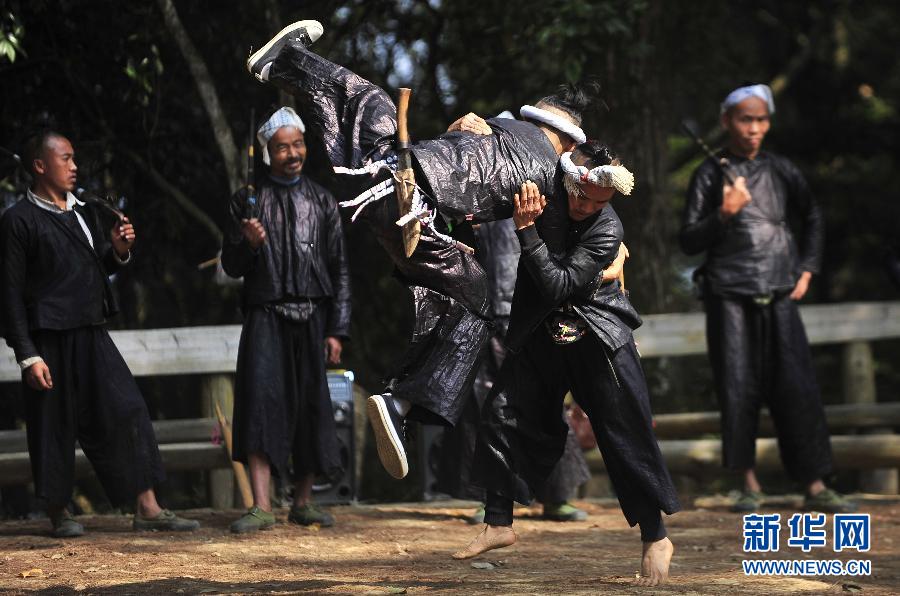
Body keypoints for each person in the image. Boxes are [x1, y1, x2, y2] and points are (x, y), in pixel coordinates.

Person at [245, 20, 594, 480]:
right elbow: (581, 197)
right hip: (410, 201)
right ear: (568, 143)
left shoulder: (503, 130)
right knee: (474, 301)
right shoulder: (544, 164)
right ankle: (402, 402)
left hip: (395, 195)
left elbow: (471, 135)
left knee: (369, 102)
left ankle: (283, 62)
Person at [457, 142, 680, 587]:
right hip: (542, 332)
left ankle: (656, 536)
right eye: (581, 197)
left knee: (623, 434)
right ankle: (499, 522)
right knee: (503, 412)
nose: (586, 207)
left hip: (598, 335)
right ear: (568, 181)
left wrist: (526, 232)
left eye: (598, 202)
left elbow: (558, 285)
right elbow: (489, 173)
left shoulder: (607, 228)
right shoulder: (542, 189)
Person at [0, 130, 199, 537]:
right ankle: (59, 512)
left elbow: (89, 269)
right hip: (48, 339)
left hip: (92, 332)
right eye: (66, 159)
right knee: (53, 426)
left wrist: (117, 251)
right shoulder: (18, 220)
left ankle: (148, 507)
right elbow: (9, 293)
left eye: (75, 159)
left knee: (128, 410)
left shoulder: (82, 211)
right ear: (40, 165)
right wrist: (27, 354)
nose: (74, 167)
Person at [679, 84, 854, 513]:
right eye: (745, 119)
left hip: (779, 289)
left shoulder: (781, 169)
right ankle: (748, 484)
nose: (753, 128)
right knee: (738, 387)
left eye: (760, 120)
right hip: (729, 293)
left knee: (797, 387)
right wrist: (725, 211)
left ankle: (815, 485)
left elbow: (812, 214)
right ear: (727, 122)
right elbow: (688, 240)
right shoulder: (709, 173)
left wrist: (808, 267)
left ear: (768, 123)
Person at [221, 107, 351, 533]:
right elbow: (232, 265)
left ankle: (303, 501)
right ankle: (261, 505)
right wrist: (248, 242)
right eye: (282, 147)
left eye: (297, 145)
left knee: (311, 406)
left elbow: (340, 268)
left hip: (313, 314)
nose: (292, 153)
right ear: (267, 153)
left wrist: (337, 328)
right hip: (265, 313)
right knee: (261, 403)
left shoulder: (323, 199)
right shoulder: (248, 199)